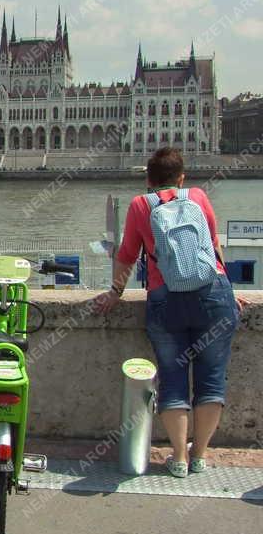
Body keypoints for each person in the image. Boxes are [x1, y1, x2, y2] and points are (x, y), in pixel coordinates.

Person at [97, 147, 241, 478]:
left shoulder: (140, 205)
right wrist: (227, 289)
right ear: (182, 177)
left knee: (173, 380)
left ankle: (177, 457)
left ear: (148, 179)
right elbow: (214, 246)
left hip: (166, 300)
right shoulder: (199, 197)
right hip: (213, 294)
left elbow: (127, 256)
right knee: (212, 379)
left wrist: (115, 293)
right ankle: (200, 455)